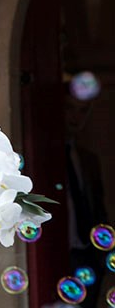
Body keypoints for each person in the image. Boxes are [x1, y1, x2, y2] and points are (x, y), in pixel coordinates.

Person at [64, 86, 108, 308]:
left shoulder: (87, 158)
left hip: (87, 256)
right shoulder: (44, 156)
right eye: (70, 108)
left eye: (83, 111)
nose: (75, 117)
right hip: (59, 254)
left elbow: (97, 207)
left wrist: (102, 255)